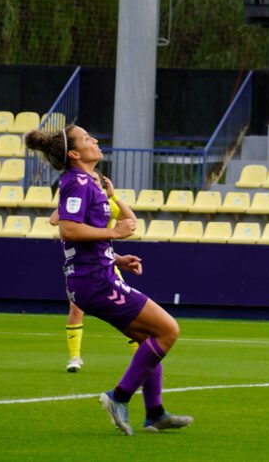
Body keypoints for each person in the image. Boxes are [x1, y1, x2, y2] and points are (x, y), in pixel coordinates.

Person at [25, 125, 192, 435]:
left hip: (96, 275)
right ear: (74, 153)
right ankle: (119, 397)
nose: (96, 140)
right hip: (96, 282)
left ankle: (154, 413)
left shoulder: (87, 183)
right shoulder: (77, 183)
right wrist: (114, 233)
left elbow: (83, 240)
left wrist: (116, 258)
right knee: (168, 330)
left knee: (149, 338)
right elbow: (69, 230)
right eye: (87, 139)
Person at [48, 174, 137, 373]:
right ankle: (74, 357)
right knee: (75, 309)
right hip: (81, 264)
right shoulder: (77, 204)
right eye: (91, 181)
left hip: (106, 264)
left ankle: (140, 355)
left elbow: (131, 221)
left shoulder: (105, 204)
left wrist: (113, 196)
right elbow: (54, 220)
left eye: (97, 181)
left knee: (127, 312)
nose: (94, 184)